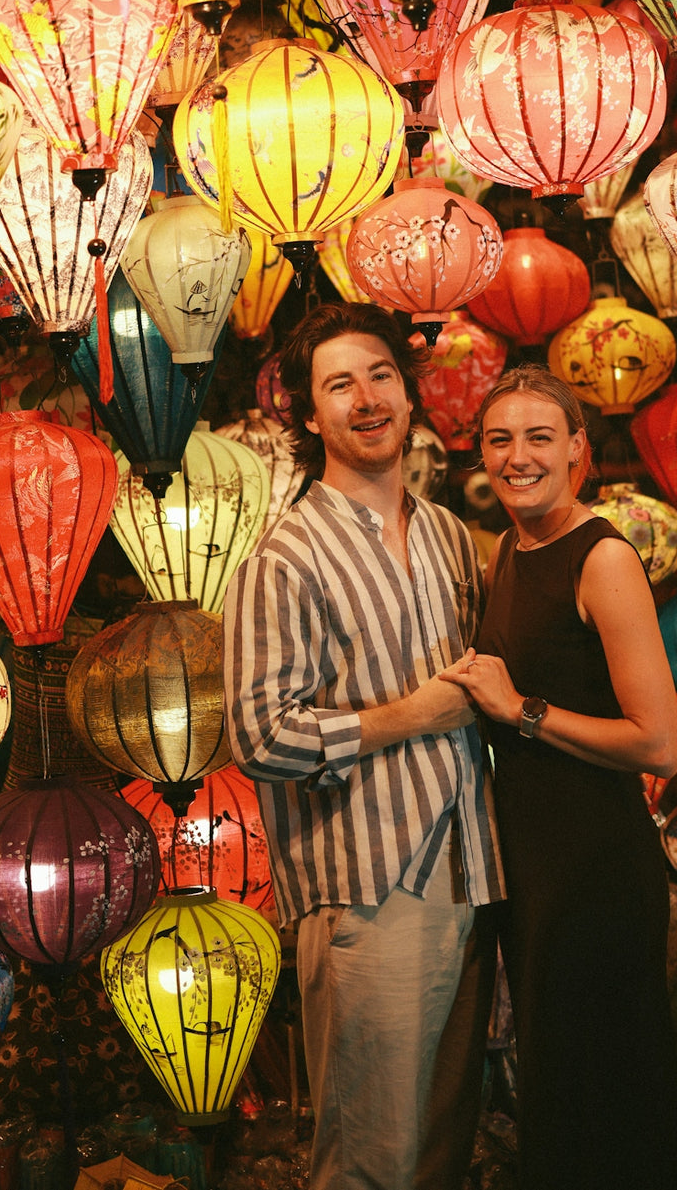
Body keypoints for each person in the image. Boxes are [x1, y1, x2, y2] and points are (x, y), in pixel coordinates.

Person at [224, 302, 504, 1190]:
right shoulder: (286, 557)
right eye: (339, 384)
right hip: (368, 886)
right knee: (368, 1162)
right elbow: (259, 735)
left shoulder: (452, 534)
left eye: (381, 375)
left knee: (440, 1155)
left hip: (472, 871)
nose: (367, 397)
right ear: (310, 416)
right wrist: (408, 717)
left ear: (409, 396)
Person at [440, 364, 677, 1190]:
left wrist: (521, 710)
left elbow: (658, 743)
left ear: (578, 448)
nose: (518, 456)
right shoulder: (513, 545)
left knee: (607, 1092)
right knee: (558, 1089)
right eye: (500, 439)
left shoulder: (601, 555)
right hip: (535, 864)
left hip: (597, 866)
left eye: (539, 437)